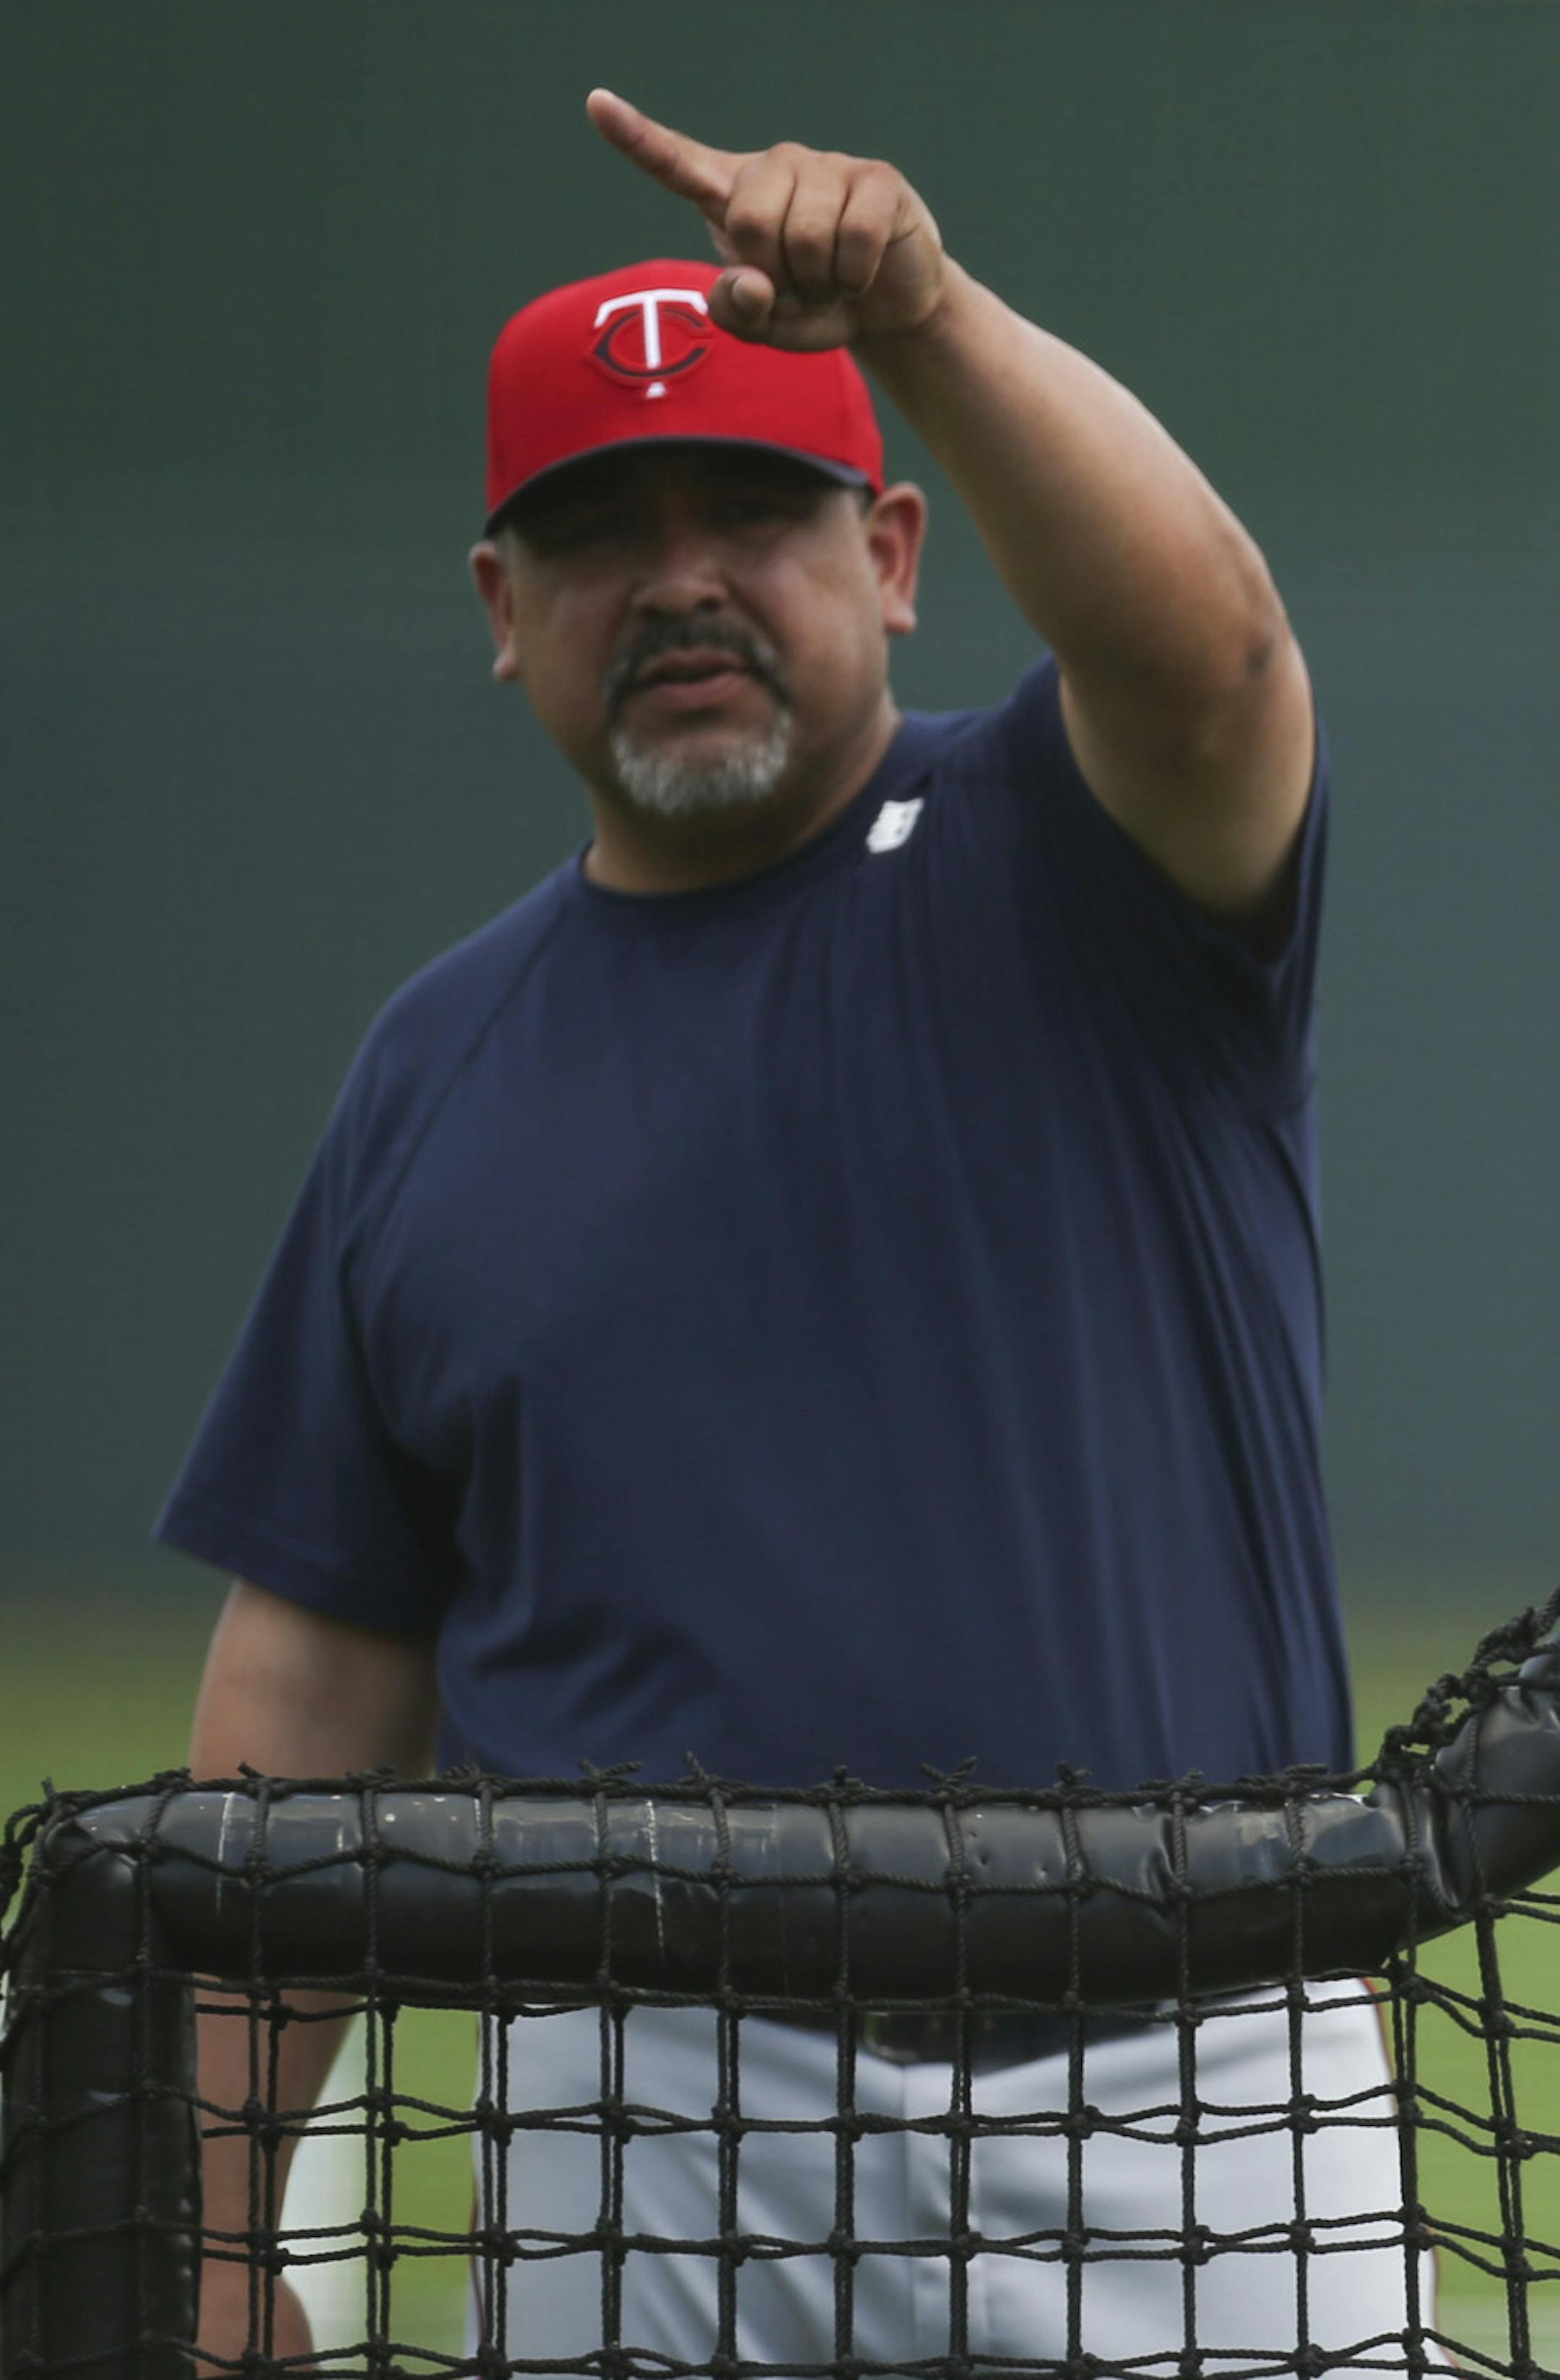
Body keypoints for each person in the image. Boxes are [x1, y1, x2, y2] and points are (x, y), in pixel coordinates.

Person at [164, 90, 1421, 2376]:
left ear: (899, 552)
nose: (679, 580)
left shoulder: (1085, 859)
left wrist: (921, 311)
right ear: (497, 610)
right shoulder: (434, 1070)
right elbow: (307, 1708)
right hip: (642, 2123)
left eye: (752, 504)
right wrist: (211, 2238)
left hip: (1186, 2068)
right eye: (594, 531)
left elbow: (1219, 651)